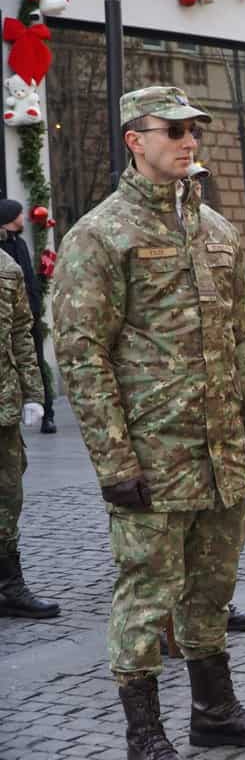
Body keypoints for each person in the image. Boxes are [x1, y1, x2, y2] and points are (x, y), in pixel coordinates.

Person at [52, 86, 245, 758]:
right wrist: (114, 461)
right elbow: (82, 355)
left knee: (213, 588)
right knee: (147, 595)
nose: (188, 142)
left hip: (221, 454)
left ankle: (214, 711)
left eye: (195, 131)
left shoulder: (217, 231)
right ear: (136, 139)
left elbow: (243, 338)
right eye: (174, 130)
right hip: (154, 455)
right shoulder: (101, 235)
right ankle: (144, 731)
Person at [0, 245, 57, 620]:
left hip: (2, 406)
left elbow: (23, 332)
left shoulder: (6, 267)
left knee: (8, 496)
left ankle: (9, 585)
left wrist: (34, 393)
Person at [0, 200, 55, 434]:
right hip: (12, 320)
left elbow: (28, 280)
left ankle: (46, 411)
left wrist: (35, 309)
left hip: (28, 317)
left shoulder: (20, 243)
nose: (23, 217)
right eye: (19, 214)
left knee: (36, 360)